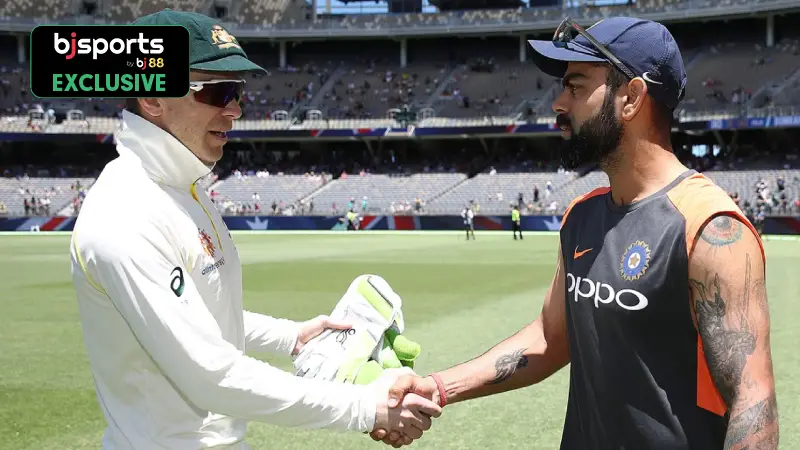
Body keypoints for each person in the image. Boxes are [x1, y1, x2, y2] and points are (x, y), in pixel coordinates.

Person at [371, 16, 778, 449]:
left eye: (577, 86)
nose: (559, 103)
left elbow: (752, 400)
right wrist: (438, 387)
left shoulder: (710, 228)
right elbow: (550, 338)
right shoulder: (580, 218)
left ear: (632, 97)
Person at [69, 10, 440, 450]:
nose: (236, 109)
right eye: (218, 91)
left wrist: (292, 336)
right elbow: (213, 375)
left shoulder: (182, 186)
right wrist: (365, 405)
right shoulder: (125, 214)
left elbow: (196, 313)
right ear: (152, 99)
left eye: (238, 91)